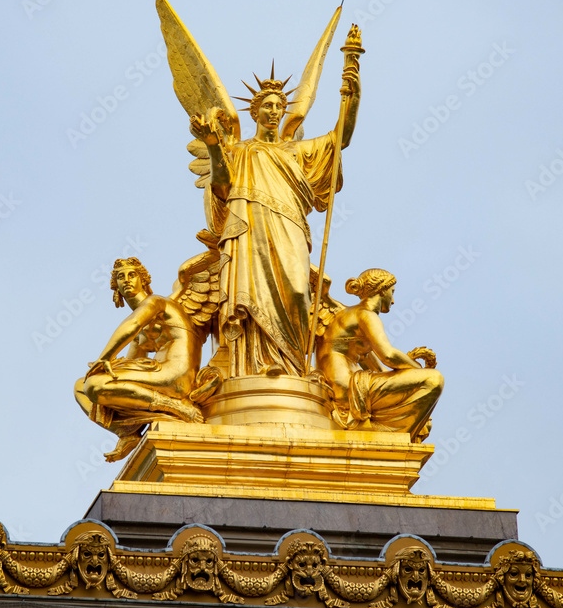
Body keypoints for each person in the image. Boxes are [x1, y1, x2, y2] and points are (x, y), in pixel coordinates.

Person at [189, 67, 360, 378]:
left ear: (284, 112)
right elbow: (223, 186)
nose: (273, 111)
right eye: (267, 106)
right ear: (255, 112)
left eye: (278, 106)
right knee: (250, 292)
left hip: (290, 225)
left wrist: (353, 94)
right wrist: (214, 145)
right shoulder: (241, 150)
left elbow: (341, 139)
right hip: (249, 225)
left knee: (297, 291)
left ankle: (293, 366)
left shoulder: (296, 151)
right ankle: (257, 367)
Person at [74, 258, 203, 462]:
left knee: (95, 385)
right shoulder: (139, 334)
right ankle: (127, 432)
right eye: (120, 277)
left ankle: (174, 407)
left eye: (132, 275)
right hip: (157, 373)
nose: (126, 280)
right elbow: (124, 376)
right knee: (82, 387)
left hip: (175, 373)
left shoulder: (158, 302)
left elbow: (133, 323)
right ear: (115, 287)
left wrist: (105, 357)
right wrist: (112, 366)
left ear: (144, 280)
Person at [316, 269, 443, 441]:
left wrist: (407, 368)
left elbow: (379, 367)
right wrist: (418, 369)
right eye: (392, 292)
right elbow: (388, 356)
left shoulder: (347, 313)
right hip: (349, 388)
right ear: (382, 290)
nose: (393, 300)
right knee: (434, 380)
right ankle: (391, 435)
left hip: (341, 383)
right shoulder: (366, 315)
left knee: (423, 416)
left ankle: (388, 432)